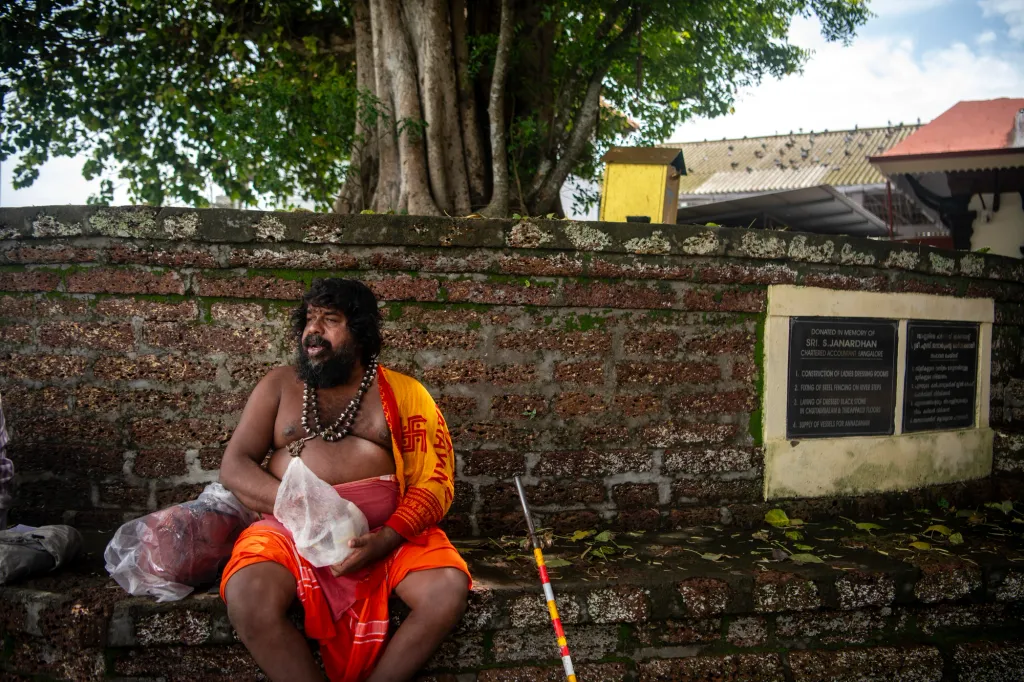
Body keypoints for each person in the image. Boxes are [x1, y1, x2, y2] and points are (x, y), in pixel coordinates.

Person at [219, 278, 469, 682]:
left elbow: (436, 480)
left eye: (330, 320)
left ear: (361, 333)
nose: (313, 331)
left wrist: (388, 537)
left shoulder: (405, 393)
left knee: (446, 591)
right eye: (309, 320)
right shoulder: (279, 385)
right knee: (248, 597)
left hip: (385, 538)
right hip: (291, 533)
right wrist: (303, 509)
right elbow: (235, 466)